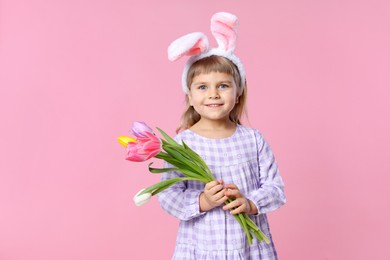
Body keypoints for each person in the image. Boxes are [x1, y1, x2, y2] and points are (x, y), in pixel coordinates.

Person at [158, 12, 286, 259]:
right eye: (203, 87)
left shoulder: (253, 140)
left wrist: (250, 203)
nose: (213, 94)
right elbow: (169, 196)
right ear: (190, 96)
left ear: (238, 93)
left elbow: (275, 188)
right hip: (201, 247)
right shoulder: (183, 145)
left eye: (223, 86)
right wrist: (203, 201)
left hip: (250, 248)